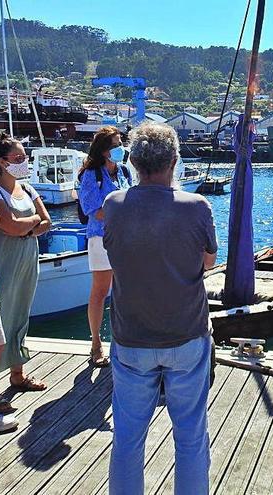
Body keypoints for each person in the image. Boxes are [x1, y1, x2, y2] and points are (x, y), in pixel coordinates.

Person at [103, 122, 217, 494]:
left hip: (131, 338)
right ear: (174, 160)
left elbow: (115, 252)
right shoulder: (197, 206)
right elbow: (209, 262)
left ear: (133, 161)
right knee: (190, 438)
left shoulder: (114, 205)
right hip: (187, 336)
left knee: (128, 439)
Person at [0, 133, 51, 392]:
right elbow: (9, 226)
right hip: (3, 262)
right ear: (1, 161)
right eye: (18, 158)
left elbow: (47, 222)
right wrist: (32, 222)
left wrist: (28, 226)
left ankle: (17, 373)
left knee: (21, 314)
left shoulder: (28, 188)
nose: (24, 161)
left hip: (27, 261)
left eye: (25, 157)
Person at [78, 126, 132, 367]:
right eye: (116, 143)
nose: (120, 147)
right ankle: (96, 343)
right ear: (104, 149)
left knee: (124, 292)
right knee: (100, 292)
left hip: (126, 239)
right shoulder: (91, 175)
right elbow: (94, 211)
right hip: (101, 239)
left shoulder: (123, 171)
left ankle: (121, 341)